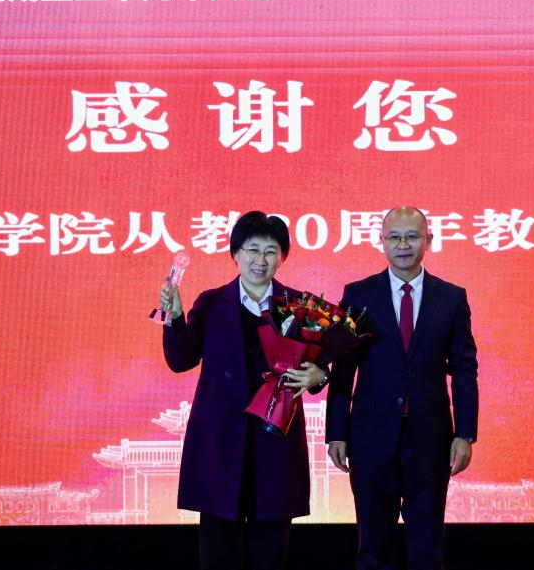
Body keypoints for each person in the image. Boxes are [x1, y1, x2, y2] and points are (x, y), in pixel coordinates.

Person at [160, 211, 328, 570]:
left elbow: (320, 366)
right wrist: (174, 318)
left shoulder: (300, 305)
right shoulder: (211, 302)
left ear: (282, 257)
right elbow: (180, 359)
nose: (260, 260)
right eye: (253, 250)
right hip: (221, 443)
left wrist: (320, 375)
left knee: (271, 554)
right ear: (236, 254)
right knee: (219, 555)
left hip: (275, 441)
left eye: (271, 251)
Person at [326, 206, 479, 570]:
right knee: (373, 550)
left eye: (412, 236)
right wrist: (336, 433)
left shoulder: (451, 298)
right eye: (394, 237)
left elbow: (464, 369)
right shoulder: (358, 294)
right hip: (370, 437)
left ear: (429, 240)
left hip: (430, 439)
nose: (403, 245)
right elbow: (343, 368)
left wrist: (465, 434)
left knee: (427, 549)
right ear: (381, 241)